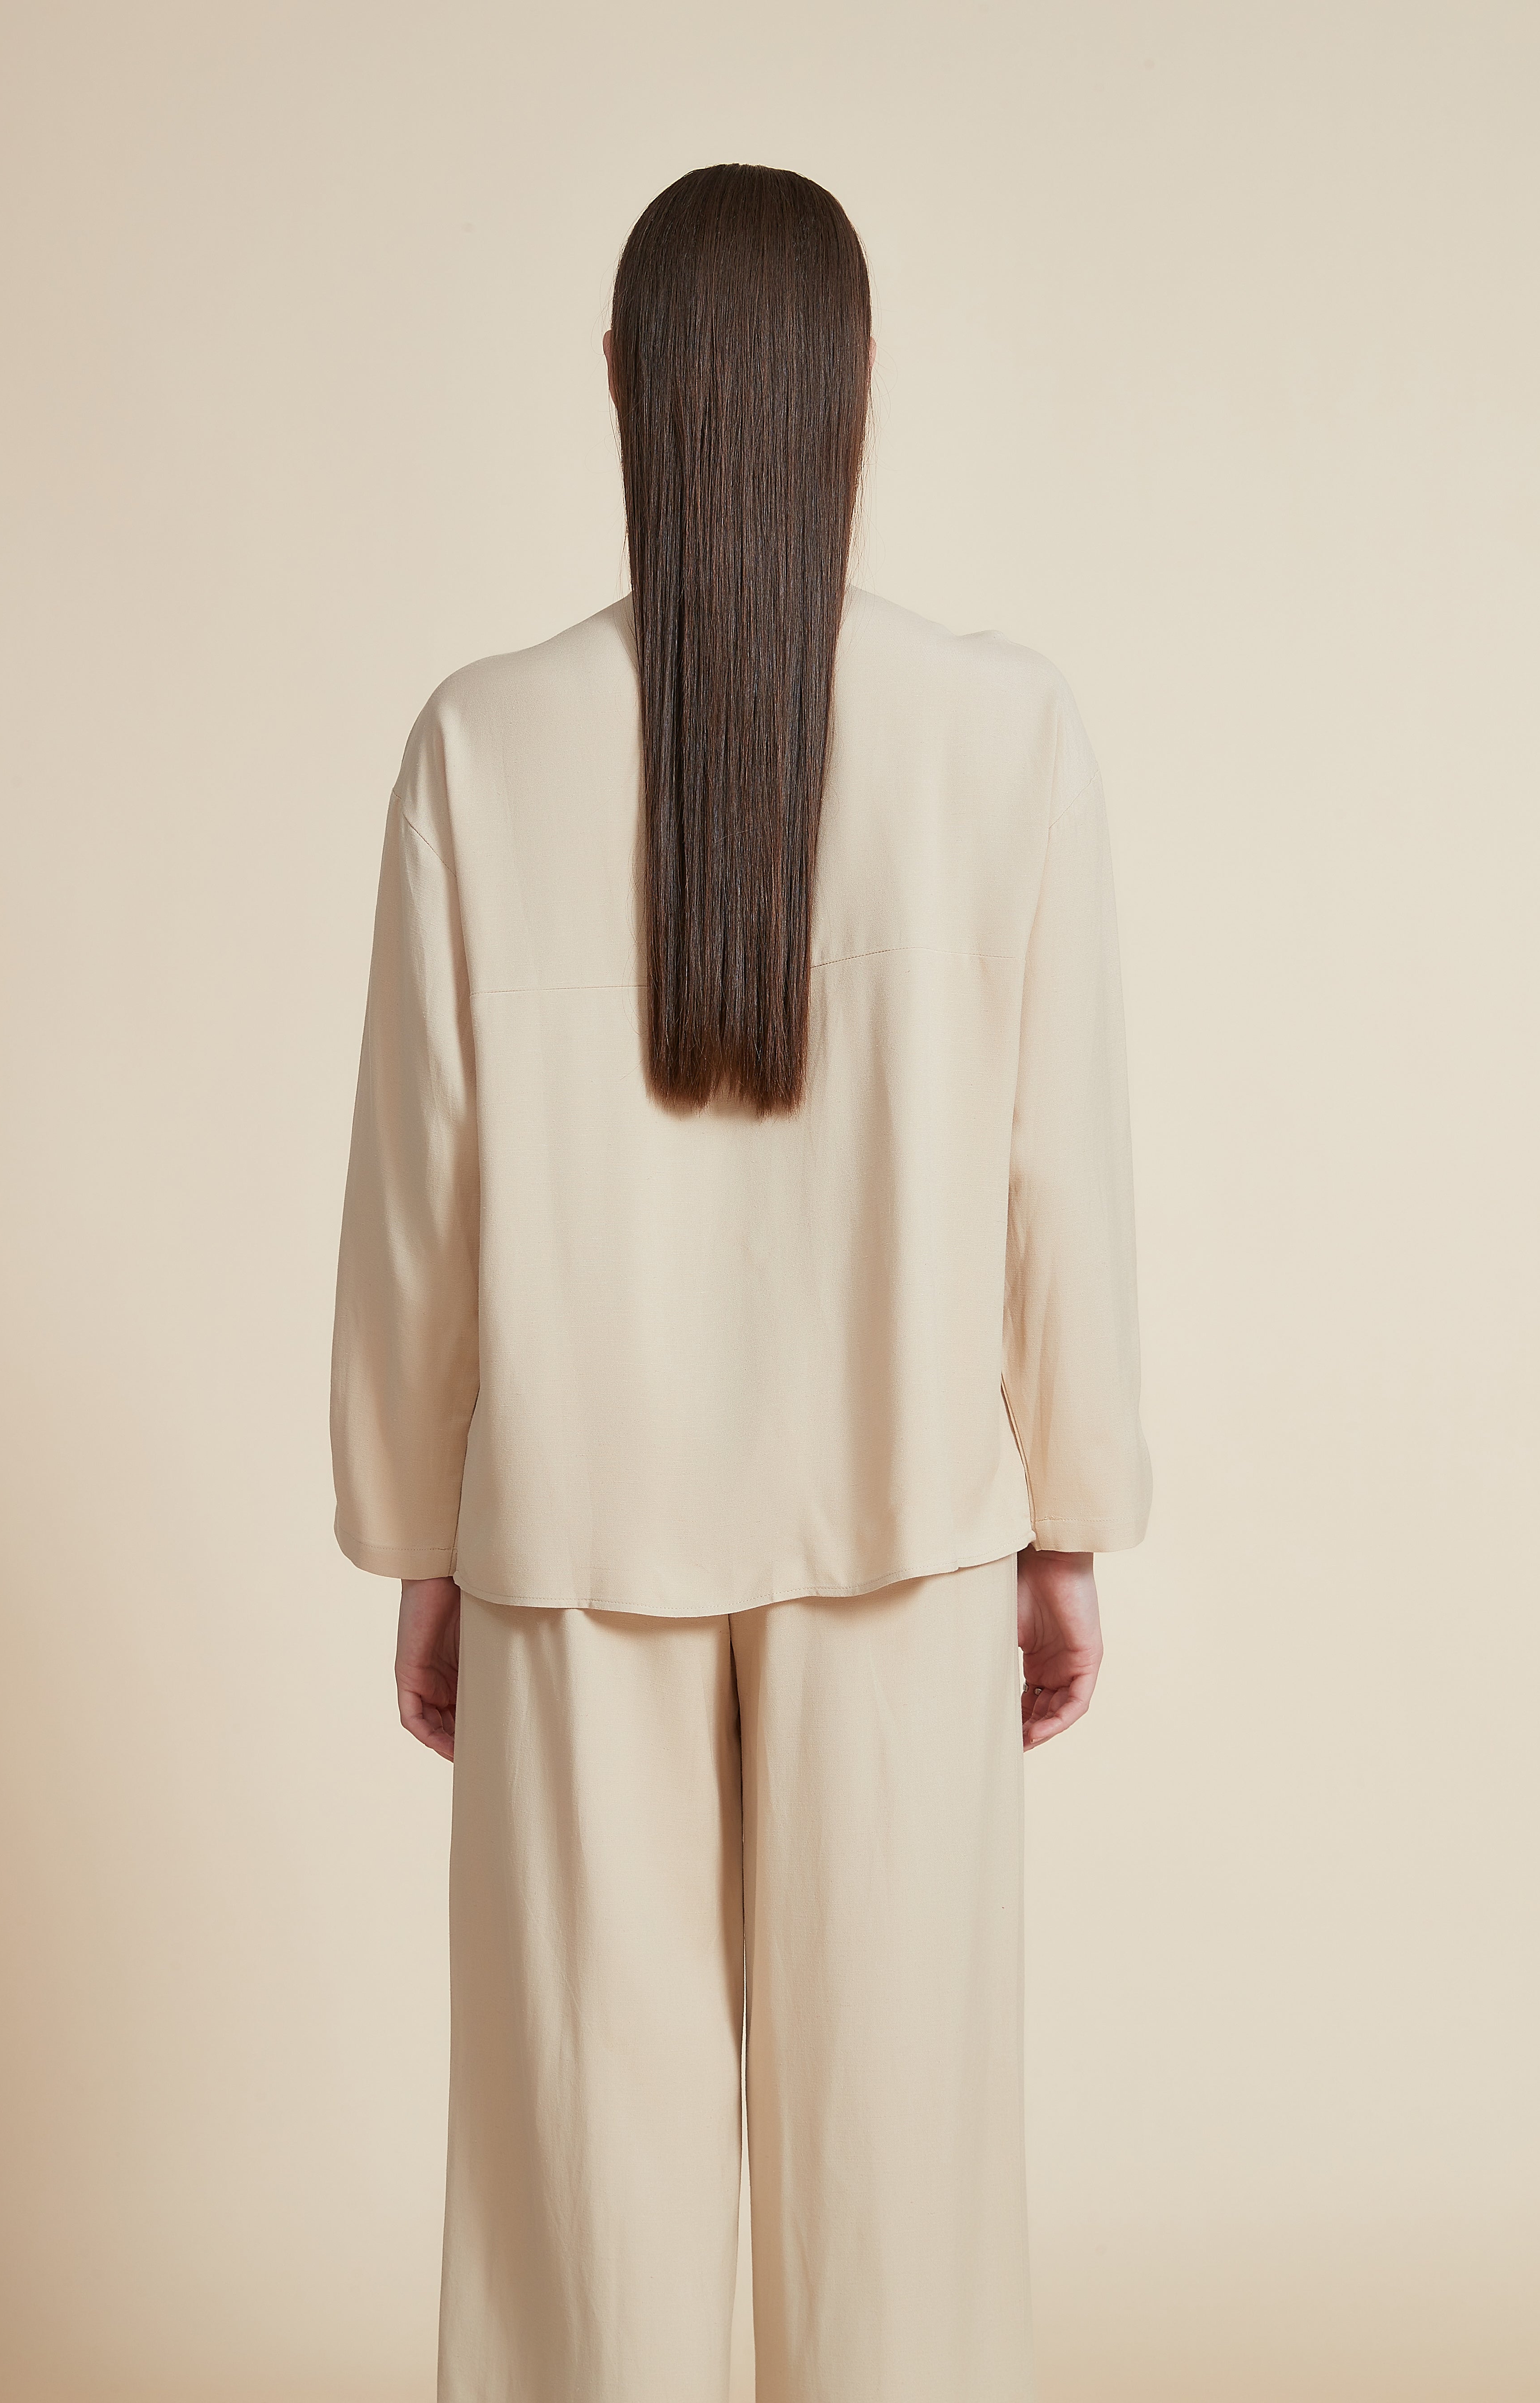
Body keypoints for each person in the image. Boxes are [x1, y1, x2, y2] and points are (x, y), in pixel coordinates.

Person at [330, 161, 1150, 2403]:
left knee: (580, 2222)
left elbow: (417, 1190)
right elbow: (1059, 1172)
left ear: (621, 388)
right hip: (901, 1538)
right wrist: (1067, 1523)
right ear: (854, 392)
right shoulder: (1007, 732)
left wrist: (417, 1540)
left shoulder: (480, 744)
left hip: (571, 1552)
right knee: (902, 2218)